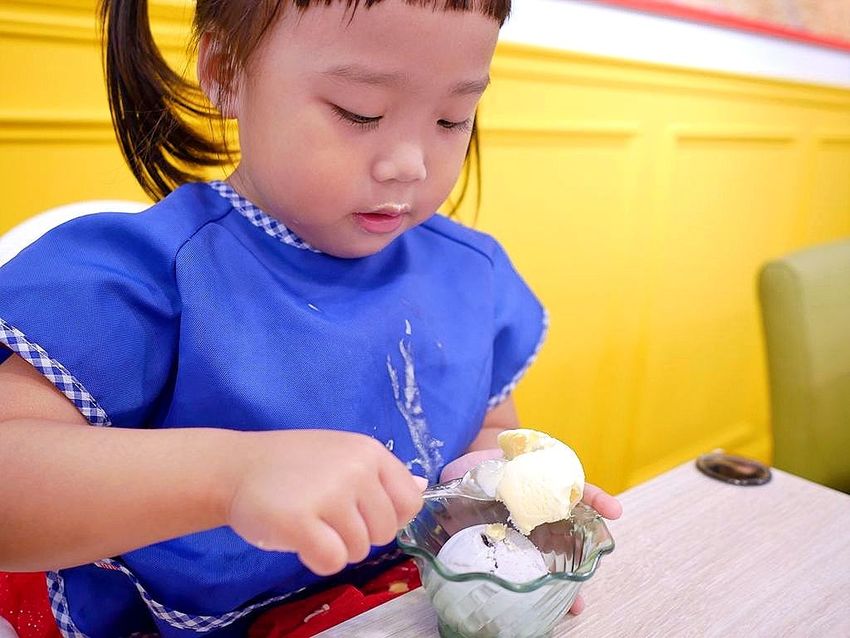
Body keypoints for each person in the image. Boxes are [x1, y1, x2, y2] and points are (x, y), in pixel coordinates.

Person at [0, 0, 622, 635]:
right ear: (225, 72)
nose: (409, 164)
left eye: (451, 118)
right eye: (360, 112)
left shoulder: (470, 273)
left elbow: (487, 429)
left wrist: (500, 499)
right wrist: (231, 477)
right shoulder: (151, 274)